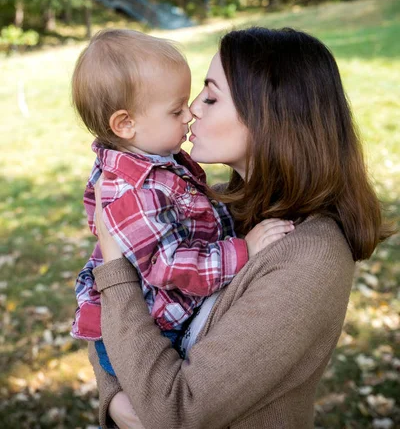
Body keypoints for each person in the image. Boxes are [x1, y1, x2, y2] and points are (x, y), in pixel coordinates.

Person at [88, 26, 388, 429]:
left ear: (271, 119)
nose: (193, 108)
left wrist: (116, 268)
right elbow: (100, 306)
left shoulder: (309, 259)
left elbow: (177, 412)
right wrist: (115, 396)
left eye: (211, 97)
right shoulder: (213, 204)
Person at [70, 29, 293, 376]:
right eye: (176, 111)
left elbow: (195, 210)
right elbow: (169, 266)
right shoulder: (132, 189)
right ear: (126, 124)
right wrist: (242, 250)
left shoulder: (156, 160)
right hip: (152, 331)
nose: (189, 114)